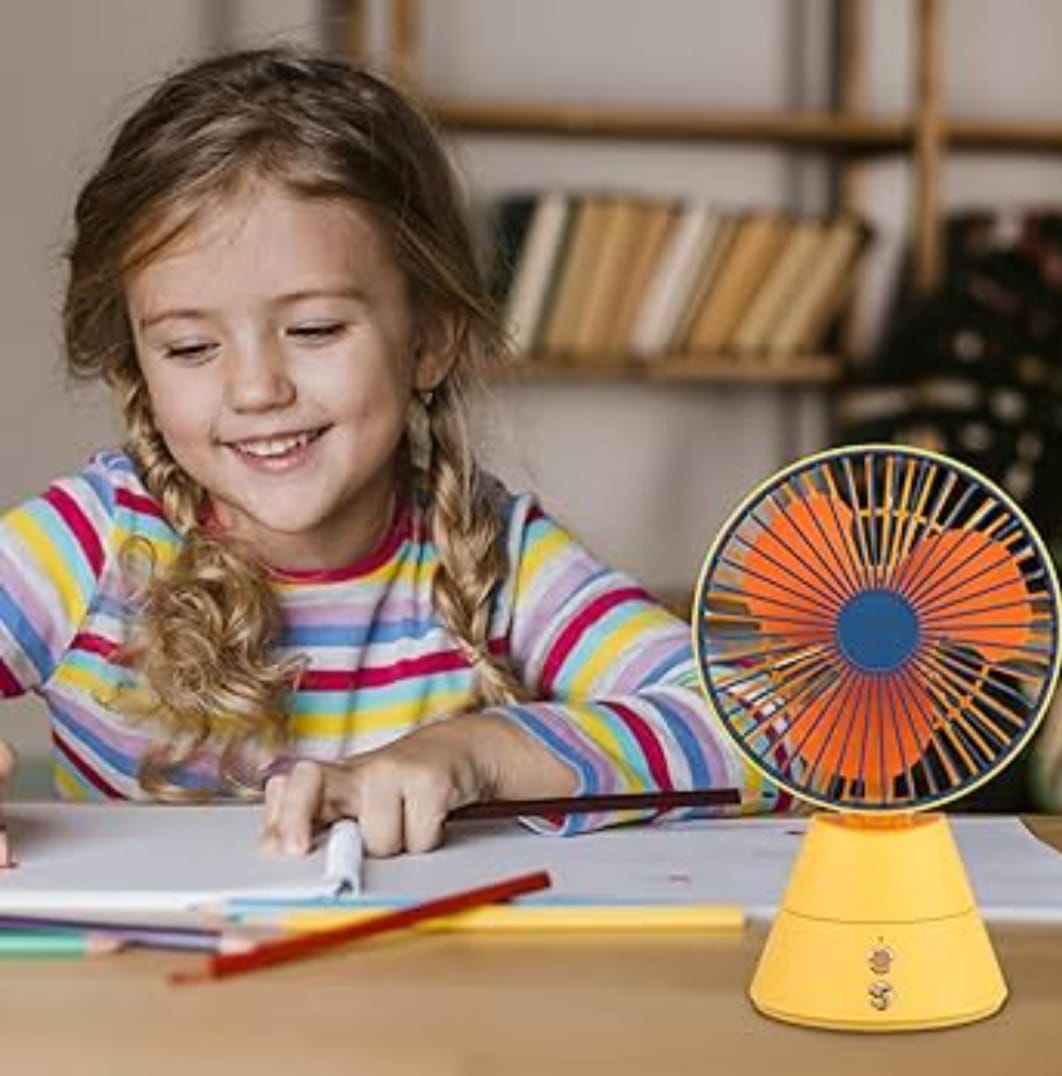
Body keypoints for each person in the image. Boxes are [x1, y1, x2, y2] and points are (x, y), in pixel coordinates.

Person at [0, 47, 778, 863]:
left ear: (429, 340)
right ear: (138, 364)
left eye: (314, 331)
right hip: (134, 988)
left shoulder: (496, 557)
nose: (256, 388)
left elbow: (765, 728)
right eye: (191, 347)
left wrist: (477, 753)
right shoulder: (88, 547)